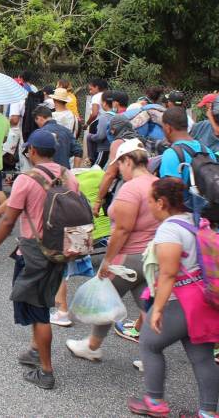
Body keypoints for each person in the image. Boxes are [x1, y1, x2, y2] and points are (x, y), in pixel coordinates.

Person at [0, 129, 83, 390]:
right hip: (62, 248)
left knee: (38, 311)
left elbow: (9, 220)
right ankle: (35, 350)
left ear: (33, 151)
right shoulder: (68, 175)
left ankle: (46, 371)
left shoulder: (26, 180)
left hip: (34, 252)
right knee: (42, 300)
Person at [128, 178, 219, 418]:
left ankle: (155, 402)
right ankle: (207, 413)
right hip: (204, 296)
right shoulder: (197, 221)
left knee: (149, 344)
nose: (149, 206)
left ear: (161, 202)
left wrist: (157, 309)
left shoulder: (170, 229)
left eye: (151, 201)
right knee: (202, 357)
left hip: (179, 300)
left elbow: (169, 273)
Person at [68, 138, 158, 360]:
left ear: (128, 161)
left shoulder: (130, 189)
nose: (118, 170)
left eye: (119, 164)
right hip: (152, 256)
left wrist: (108, 260)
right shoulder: (157, 183)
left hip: (129, 256)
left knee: (105, 300)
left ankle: (92, 346)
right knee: (148, 307)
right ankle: (152, 357)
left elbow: (122, 230)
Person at [158, 106, 215, 181]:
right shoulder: (207, 151)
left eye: (163, 127)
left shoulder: (171, 154)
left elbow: (170, 190)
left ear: (168, 128)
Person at [29, 105, 81, 170]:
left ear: (39, 118)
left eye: (36, 122)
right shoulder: (66, 131)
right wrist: (75, 171)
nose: (38, 125)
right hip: (64, 174)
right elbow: (79, 151)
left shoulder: (40, 134)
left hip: (47, 173)